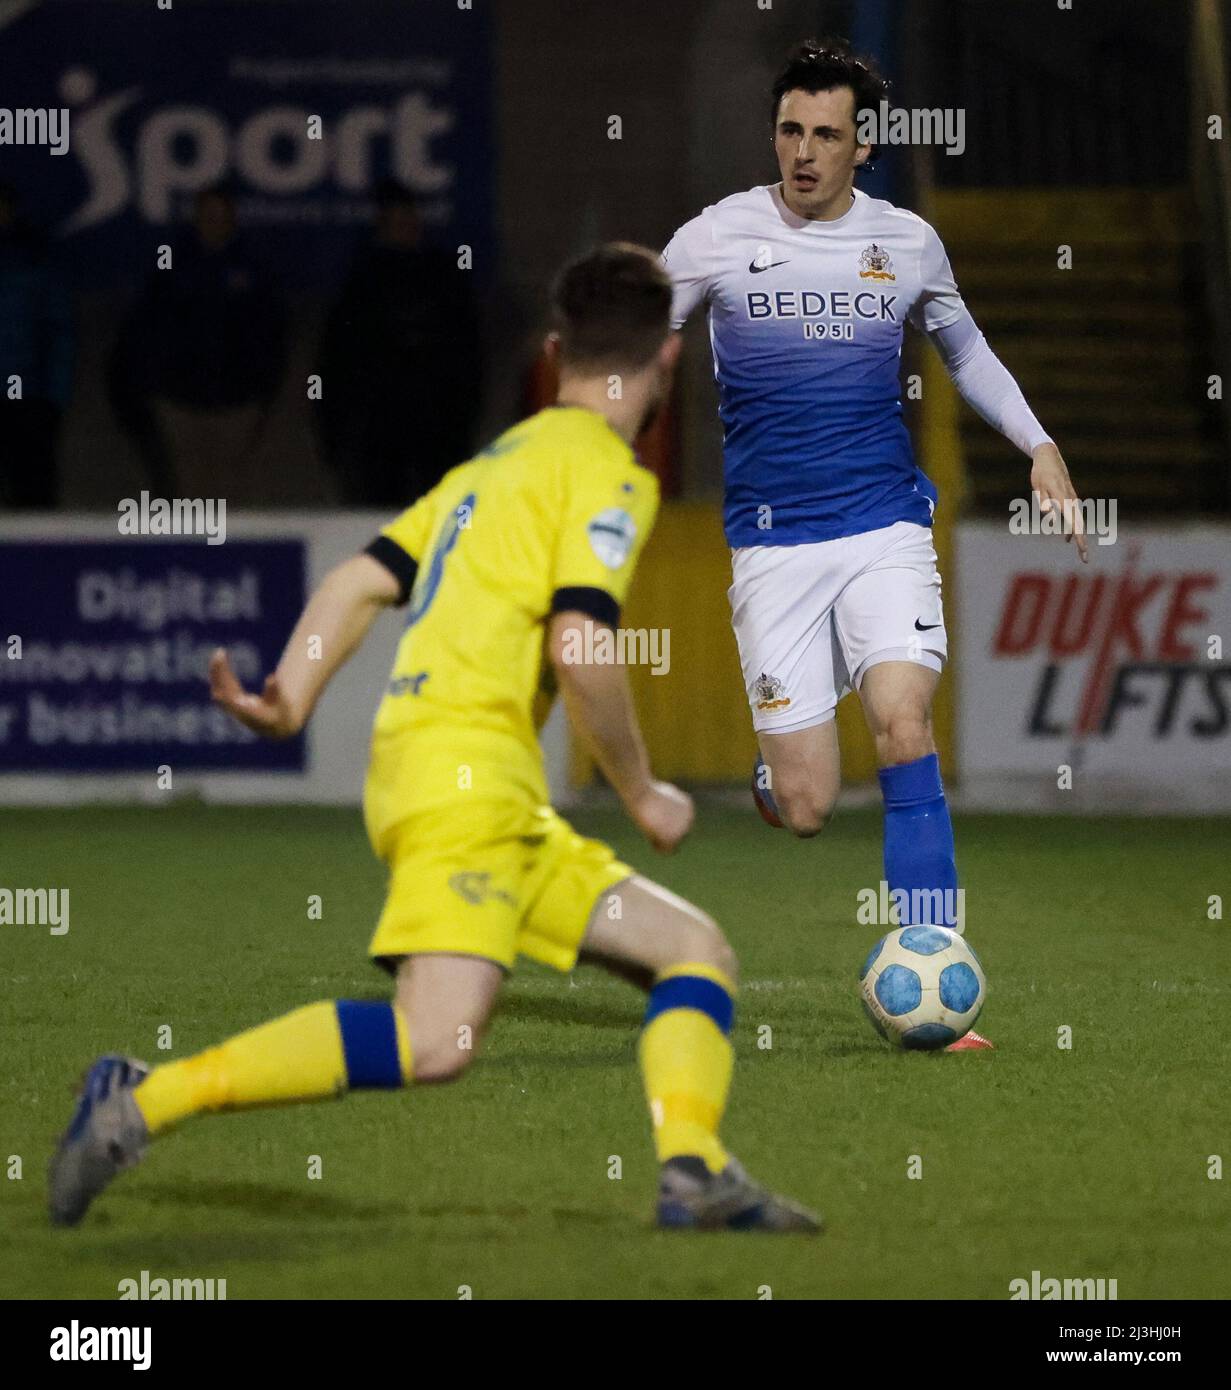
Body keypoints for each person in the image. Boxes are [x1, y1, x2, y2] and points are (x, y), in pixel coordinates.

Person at [49, 242, 819, 1235]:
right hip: (469, 774)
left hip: (448, 770)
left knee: (693, 951)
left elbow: (358, 579)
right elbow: (581, 644)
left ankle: (693, 1171)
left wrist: (290, 693)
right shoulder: (608, 477)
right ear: (667, 361)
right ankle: (140, 1099)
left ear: (554, 352)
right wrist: (640, 788)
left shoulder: (488, 468)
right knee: (435, 1039)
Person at [662, 39, 1089, 1050]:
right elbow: (636, 339)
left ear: (863, 148)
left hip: (883, 525)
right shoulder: (715, 237)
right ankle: (778, 779)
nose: (803, 153)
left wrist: (1040, 445)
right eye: (789, 131)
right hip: (770, 546)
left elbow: (965, 350)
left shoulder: (905, 243)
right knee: (809, 805)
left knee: (902, 721)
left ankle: (935, 963)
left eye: (825, 136)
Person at [315, 179, 481, 506]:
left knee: (436, 512)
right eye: (395, 221)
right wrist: (333, 430)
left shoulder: (443, 276)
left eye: (408, 219)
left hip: (437, 425)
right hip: (378, 430)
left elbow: (468, 353)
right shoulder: (362, 280)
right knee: (382, 515)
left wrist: (463, 416)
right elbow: (337, 359)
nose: (404, 228)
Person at [0, 180, 74, 508]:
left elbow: (59, 331)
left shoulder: (36, 257)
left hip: (28, 399)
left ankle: (41, 561)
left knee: (33, 496)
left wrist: (52, 400)